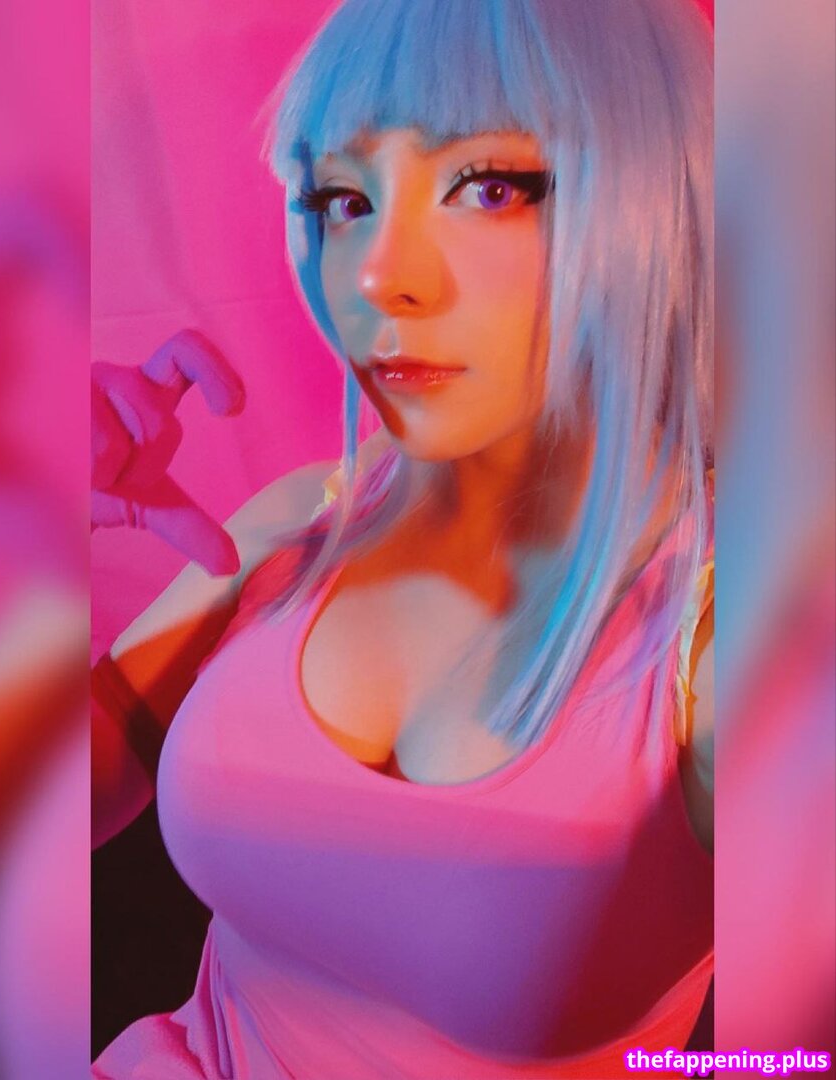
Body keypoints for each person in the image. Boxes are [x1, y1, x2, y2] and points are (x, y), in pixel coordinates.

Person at [91, 0, 714, 1075]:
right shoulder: (301, 522)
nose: (378, 274)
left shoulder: (717, 633)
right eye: (344, 199)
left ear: (654, 198)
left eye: (488, 186)